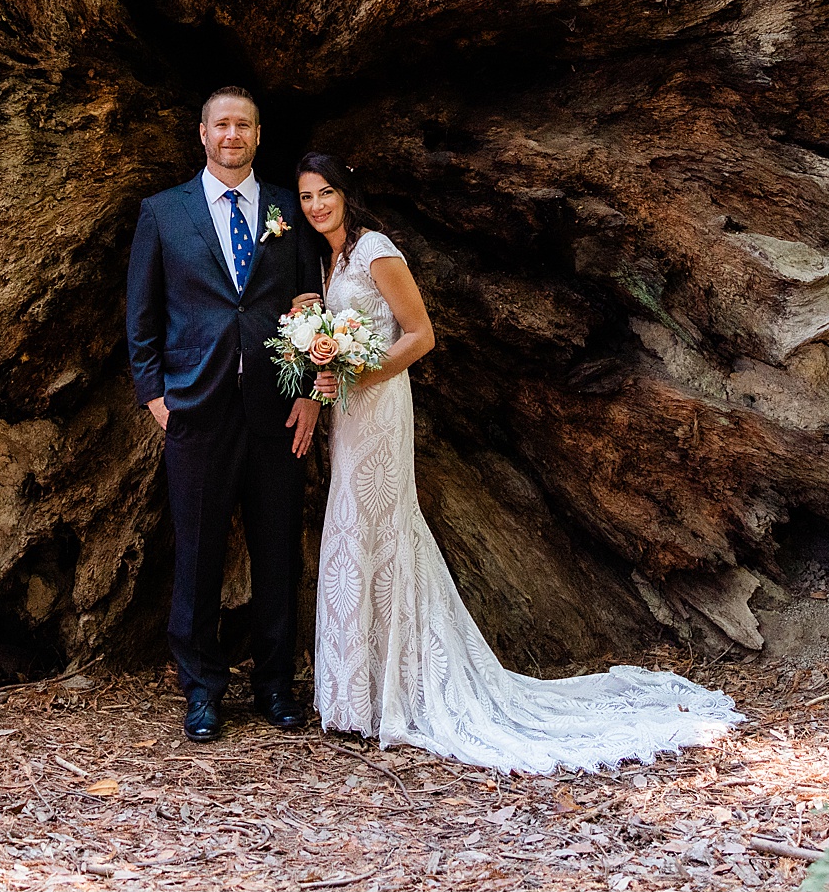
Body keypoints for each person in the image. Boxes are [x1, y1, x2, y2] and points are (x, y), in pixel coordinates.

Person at [297, 151, 742, 772]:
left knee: (382, 529)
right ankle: (360, 694)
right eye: (307, 197)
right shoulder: (332, 258)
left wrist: (363, 369)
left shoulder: (375, 249)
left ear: (346, 192)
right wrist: (324, 363)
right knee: (351, 531)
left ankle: (397, 692)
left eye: (325, 193)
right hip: (349, 410)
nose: (316, 205)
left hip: (380, 405)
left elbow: (420, 334)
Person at [124, 87, 322, 742]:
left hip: (276, 408)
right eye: (221, 124)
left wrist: (306, 394)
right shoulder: (161, 212)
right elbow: (143, 313)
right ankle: (202, 689)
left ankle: (274, 685)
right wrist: (156, 395)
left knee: (276, 554)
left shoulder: (290, 211)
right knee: (199, 555)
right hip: (197, 410)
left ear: (259, 136)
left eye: (243, 124)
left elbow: (309, 306)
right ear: (202, 133)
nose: (232, 134)